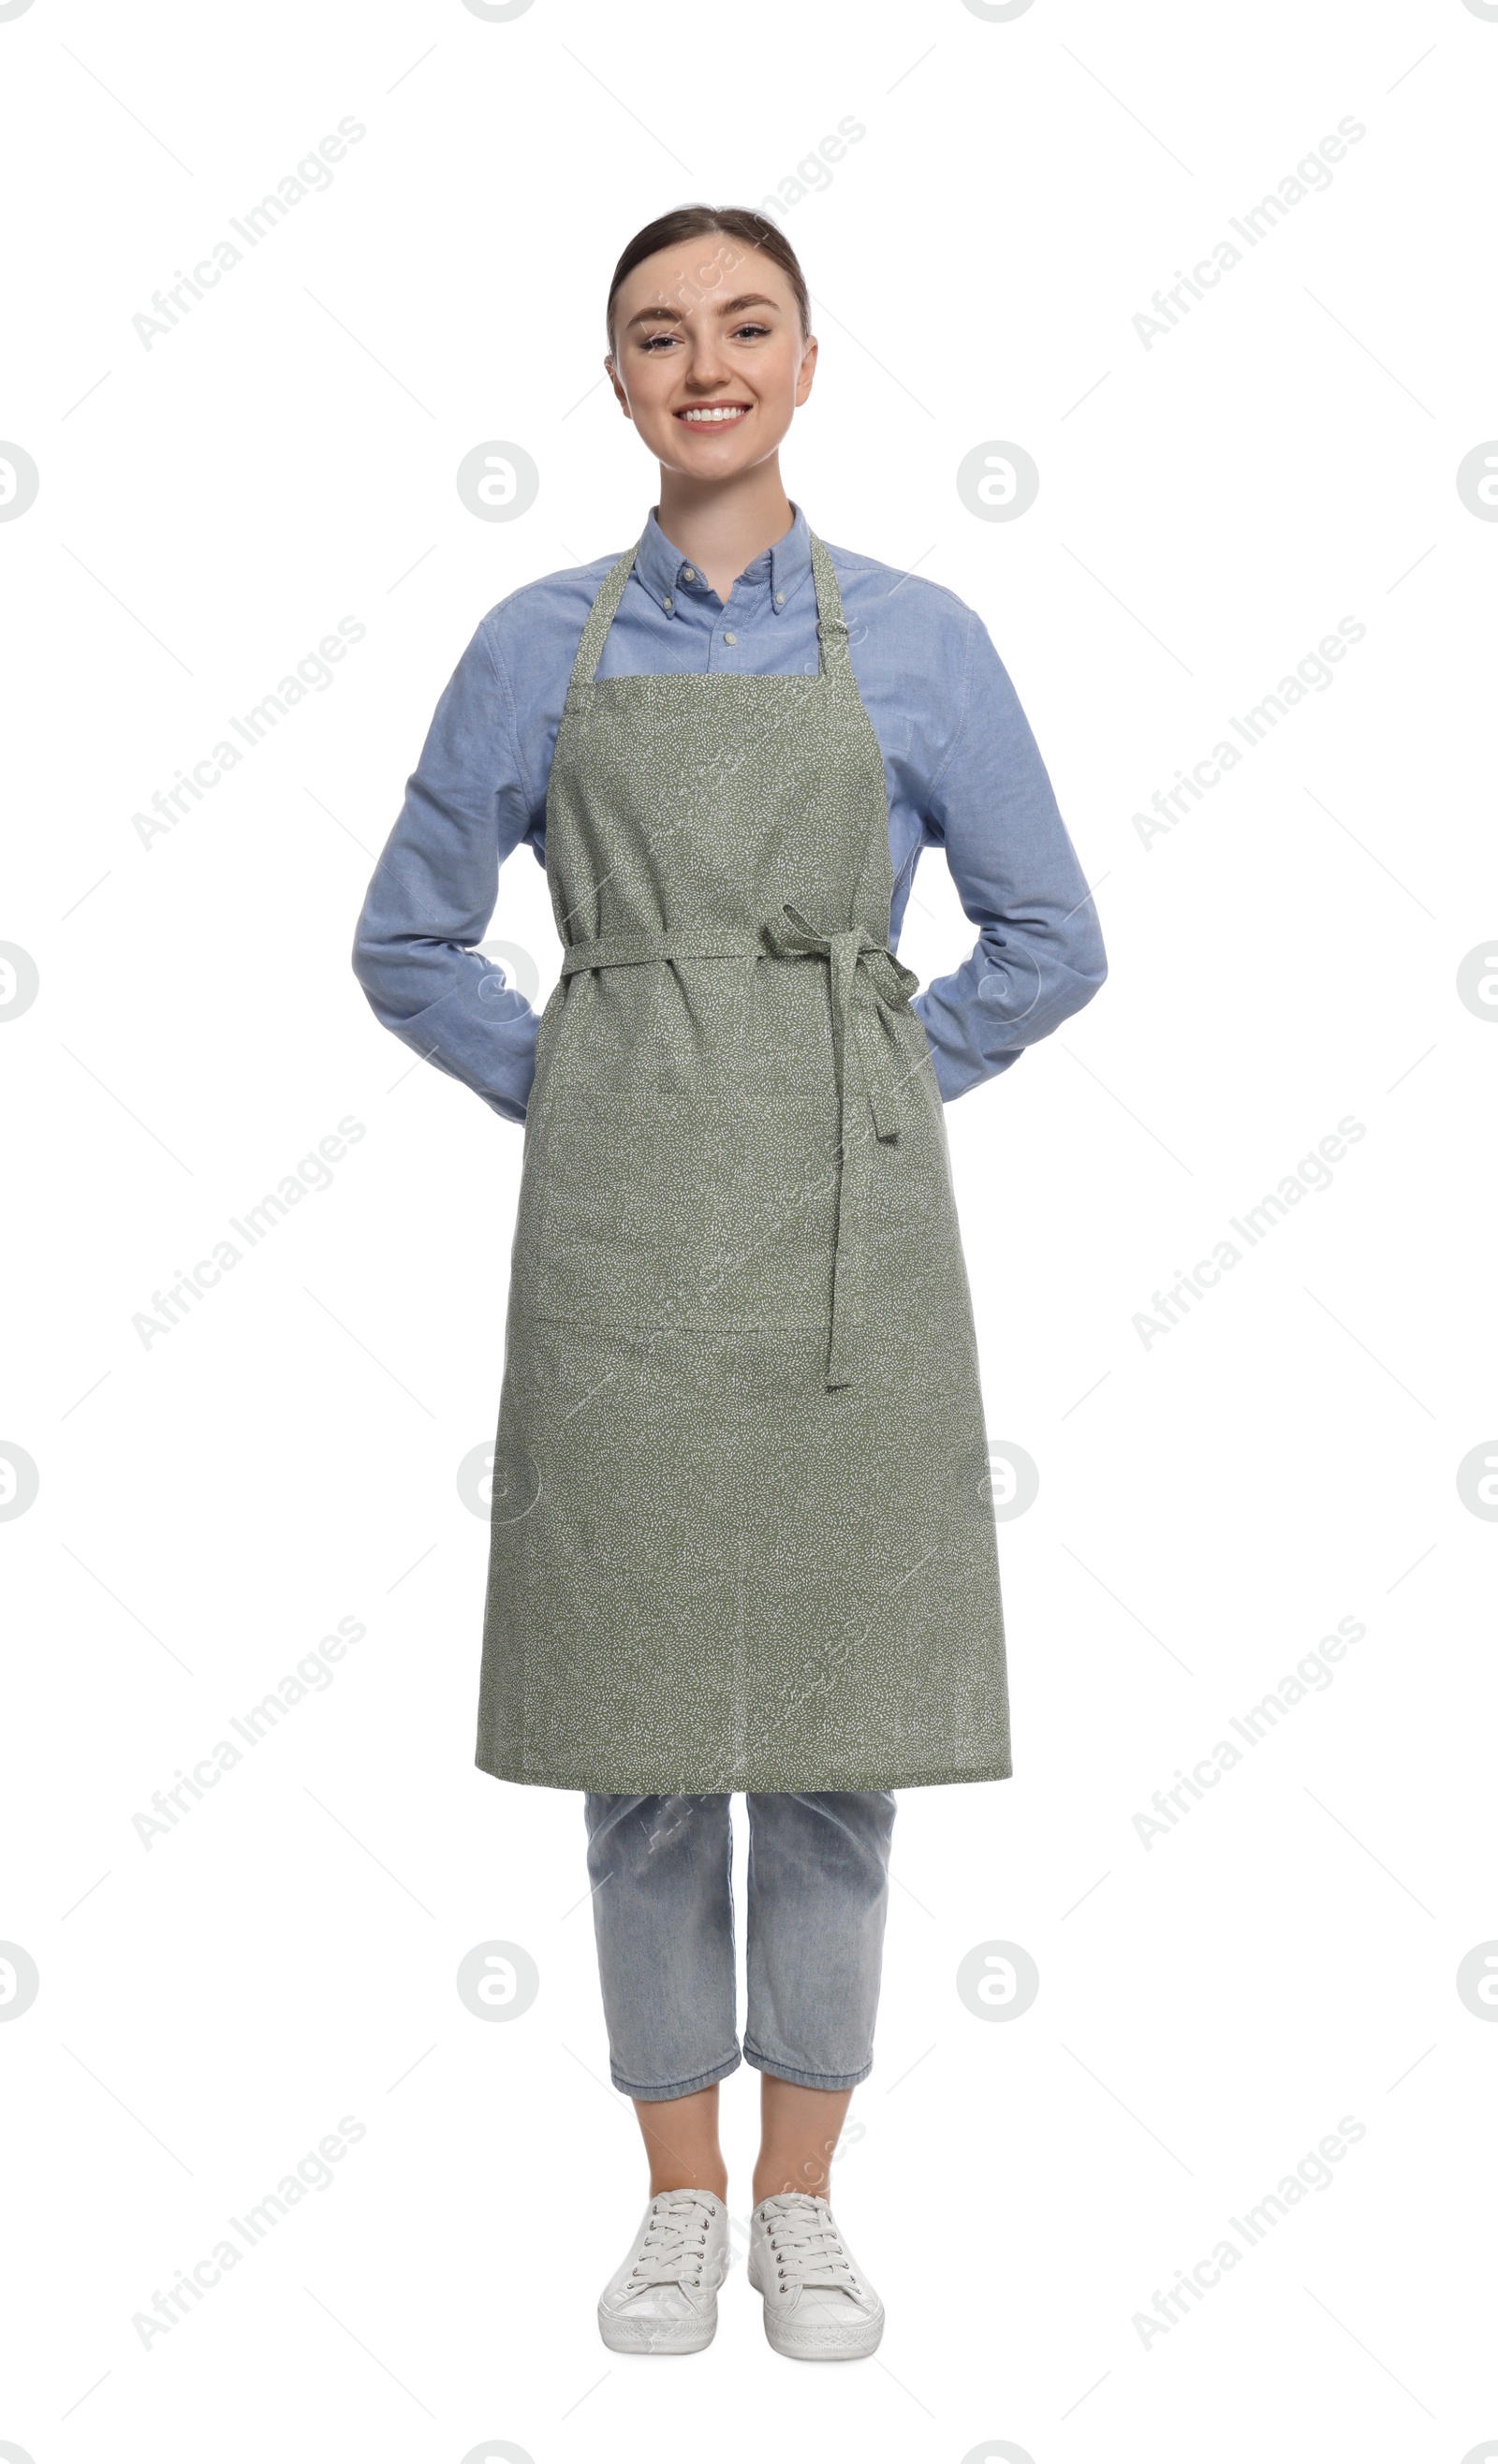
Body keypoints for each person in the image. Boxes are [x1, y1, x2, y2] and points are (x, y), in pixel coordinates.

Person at [352, 204, 1107, 2362]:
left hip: (859, 1234)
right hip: (616, 1242)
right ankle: (673, 2196)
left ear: (803, 358)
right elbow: (406, 936)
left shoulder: (924, 637)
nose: (704, 366)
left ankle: (806, 2200)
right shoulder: (528, 642)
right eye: (657, 336)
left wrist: (876, 1068)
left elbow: (1047, 936)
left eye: (742, 326)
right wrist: (580, 1085)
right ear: (611, 383)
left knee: (839, 1735)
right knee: (645, 1734)